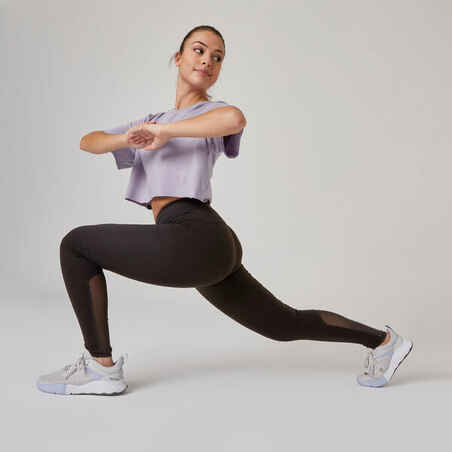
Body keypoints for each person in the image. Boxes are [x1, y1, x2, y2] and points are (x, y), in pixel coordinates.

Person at [36, 25, 413, 396]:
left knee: (76, 245)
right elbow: (89, 141)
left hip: (193, 233)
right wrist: (127, 138)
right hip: (206, 242)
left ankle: (100, 367)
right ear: (178, 57)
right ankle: (383, 342)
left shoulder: (209, 115)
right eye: (199, 50)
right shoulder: (153, 121)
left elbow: (234, 119)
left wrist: (166, 134)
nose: (207, 60)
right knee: (282, 324)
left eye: (217, 57)